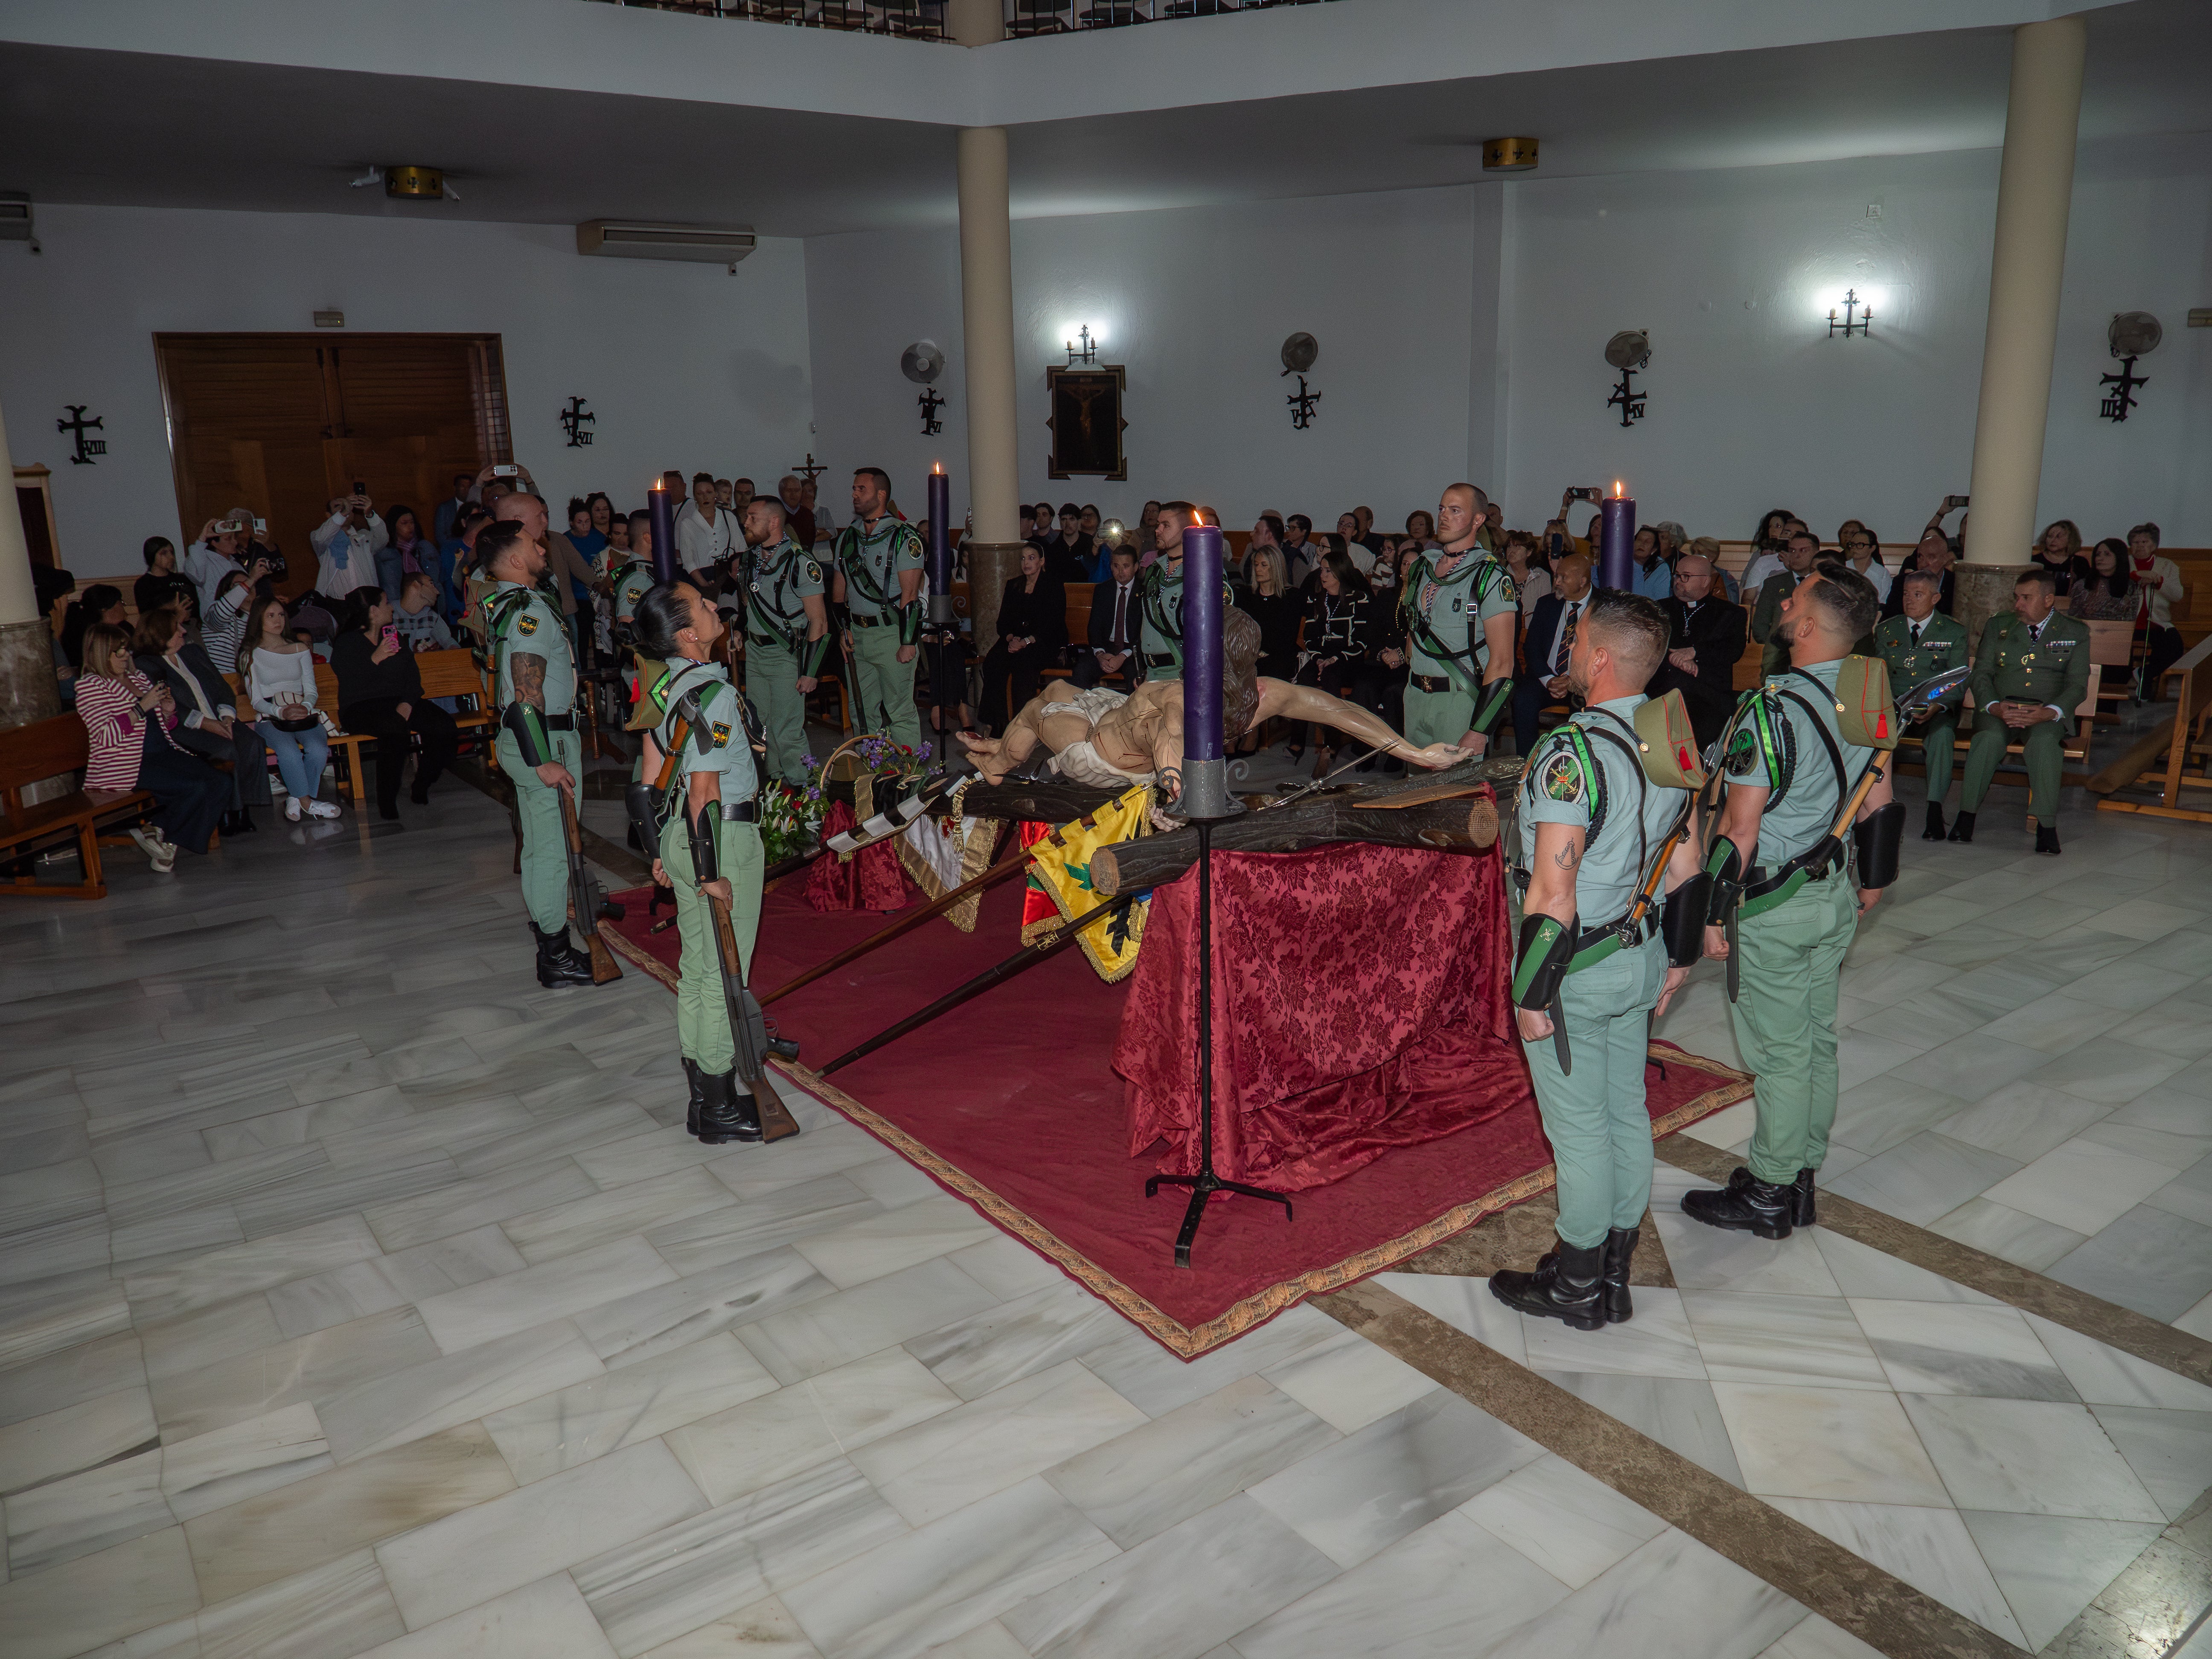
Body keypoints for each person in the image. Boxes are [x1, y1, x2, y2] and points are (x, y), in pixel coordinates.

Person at [1492, 592, 1707, 1330]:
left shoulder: (1570, 752)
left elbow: (1552, 889)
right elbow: (1687, 864)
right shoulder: (1666, 739)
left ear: (1602, 657)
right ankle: (1611, 1272)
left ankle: (1576, 1283)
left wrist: (1528, 991)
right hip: (1637, 948)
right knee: (1626, 1113)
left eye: (1577, 639)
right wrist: (1676, 960)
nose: (1570, 651)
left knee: (1578, 1129)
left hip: (1573, 969)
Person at [1685, 567, 1901, 1239]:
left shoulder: (1771, 708)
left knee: (1779, 1053)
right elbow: (1880, 798)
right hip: (1831, 890)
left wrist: (1712, 914)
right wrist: (1872, 881)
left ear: (1806, 627)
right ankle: (1800, 1172)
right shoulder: (1868, 689)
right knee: (1813, 1041)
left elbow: (1738, 830)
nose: (1783, 602)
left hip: (1773, 903)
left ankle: (1771, 1193)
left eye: (1795, 597)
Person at [960, 607, 1463, 795]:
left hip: (1099, 755)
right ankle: (998, 752)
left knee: (1038, 705)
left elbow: (1171, 739)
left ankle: (998, 763)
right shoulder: (1263, 694)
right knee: (1062, 690)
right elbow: (1340, 712)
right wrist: (1413, 753)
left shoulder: (1176, 697)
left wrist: (1173, 794)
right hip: (1113, 716)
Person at [627, 580, 766, 1144]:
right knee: (722, 976)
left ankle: (701, 1097)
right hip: (720, 836)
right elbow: (705, 789)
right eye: (704, 606)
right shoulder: (713, 694)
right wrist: (709, 873)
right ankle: (719, 1105)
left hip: (685, 836)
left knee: (696, 969)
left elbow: (648, 782)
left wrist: (663, 849)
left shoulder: (662, 690)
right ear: (688, 635)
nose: (715, 608)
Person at [477, 519, 600, 987]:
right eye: (532, 543)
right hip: (542, 739)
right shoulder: (527, 609)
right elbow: (525, 695)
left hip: (533, 738)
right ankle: (555, 956)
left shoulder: (505, 604)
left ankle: (549, 935)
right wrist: (543, 760)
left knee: (539, 847)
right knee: (552, 852)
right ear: (513, 559)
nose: (542, 546)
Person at [1950, 568, 2089, 856]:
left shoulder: (2074, 632)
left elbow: (2077, 685)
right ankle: (1966, 816)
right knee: (1987, 739)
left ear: (2049, 599)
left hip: (2045, 712)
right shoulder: (2000, 625)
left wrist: (2050, 712)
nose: (2018, 605)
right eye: (2016, 597)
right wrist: (1994, 706)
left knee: (2044, 744)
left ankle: (2047, 826)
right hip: (2001, 707)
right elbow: (1982, 674)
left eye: (2026, 598)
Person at [76, 622, 230, 872]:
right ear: (101, 654)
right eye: (120, 652)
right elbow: (105, 736)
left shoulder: (139, 677)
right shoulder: (90, 687)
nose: (127, 656)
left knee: (220, 782)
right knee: (193, 788)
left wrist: (168, 712)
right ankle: (161, 834)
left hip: (163, 752)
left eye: (128, 650)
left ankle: (161, 836)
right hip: (126, 763)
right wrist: (141, 707)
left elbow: (162, 727)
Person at [1397, 483, 1517, 754]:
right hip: (1415, 694)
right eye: (1442, 509)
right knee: (1416, 790)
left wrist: (1479, 730)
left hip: (1459, 699)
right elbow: (1415, 628)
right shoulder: (1422, 567)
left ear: (1478, 520)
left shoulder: (1489, 577)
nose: (1444, 516)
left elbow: (1502, 661)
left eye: (1455, 510)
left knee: (1456, 793)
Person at [132, 602, 267, 837]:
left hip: (219, 718)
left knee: (253, 743)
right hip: (184, 729)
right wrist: (206, 723)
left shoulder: (193, 653)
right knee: (225, 750)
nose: (184, 632)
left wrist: (225, 717)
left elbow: (222, 688)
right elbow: (169, 703)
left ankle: (246, 809)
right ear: (161, 634)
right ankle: (227, 813)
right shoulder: (146, 664)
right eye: (177, 629)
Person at [329, 589, 458, 821]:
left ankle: (422, 783)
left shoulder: (393, 635)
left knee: (444, 727)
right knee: (395, 729)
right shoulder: (346, 642)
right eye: (386, 603)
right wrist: (375, 658)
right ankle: (386, 801)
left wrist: (407, 703)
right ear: (373, 611)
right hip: (361, 707)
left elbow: (412, 676)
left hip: (398, 701)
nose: (391, 608)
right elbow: (351, 682)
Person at [1869, 569, 1970, 841]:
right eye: (1905, 594)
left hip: (1935, 707)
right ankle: (1877, 807)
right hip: (1894, 708)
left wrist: (1937, 706)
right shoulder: (1887, 629)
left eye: (1918, 595)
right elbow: (1878, 675)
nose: (1909, 600)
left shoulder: (1953, 631)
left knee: (1942, 736)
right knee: (1875, 736)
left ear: (1935, 597)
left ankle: (1934, 810)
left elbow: (1958, 680)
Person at [735, 495, 830, 784]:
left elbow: (820, 621)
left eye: (753, 518)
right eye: (747, 517)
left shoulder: (801, 562)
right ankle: (772, 784)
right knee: (759, 725)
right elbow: (748, 604)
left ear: (774, 522)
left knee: (787, 729)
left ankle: (806, 793)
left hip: (786, 653)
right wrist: (740, 630)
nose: (746, 523)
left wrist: (810, 672)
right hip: (755, 653)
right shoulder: (749, 558)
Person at [832, 467, 925, 749]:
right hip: (857, 638)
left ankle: (909, 780)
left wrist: (908, 642)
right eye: (854, 489)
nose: (854, 494)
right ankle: (870, 779)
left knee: (900, 711)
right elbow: (839, 596)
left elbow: (910, 595)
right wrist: (843, 631)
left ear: (881, 494)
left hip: (892, 634)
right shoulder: (848, 538)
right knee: (861, 713)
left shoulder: (903, 538)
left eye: (862, 489)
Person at [240, 595, 340, 823]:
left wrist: (304, 706)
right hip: (271, 716)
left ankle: (297, 798)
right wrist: (280, 712)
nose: (278, 621)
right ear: (259, 620)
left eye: (281, 615)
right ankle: (307, 802)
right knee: (289, 751)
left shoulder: (299, 648)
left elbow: (311, 689)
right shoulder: (250, 653)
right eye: (271, 616)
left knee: (316, 747)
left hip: (302, 713)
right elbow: (256, 700)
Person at [1289, 549, 1380, 766]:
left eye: (1329, 571)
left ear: (1341, 573)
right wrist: (1319, 657)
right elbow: (1309, 636)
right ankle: (1298, 740)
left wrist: (1336, 658)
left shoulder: (1359, 598)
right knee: (1304, 679)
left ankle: (1331, 742)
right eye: (1322, 569)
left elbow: (1362, 640)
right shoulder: (1316, 598)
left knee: (1331, 677)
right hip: (1321, 655)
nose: (1323, 575)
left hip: (1348, 658)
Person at [1652, 549, 1747, 751]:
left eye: (1686, 577)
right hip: (1664, 693)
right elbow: (1650, 645)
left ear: (1705, 581)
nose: (1678, 581)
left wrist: (1695, 653)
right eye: (1677, 575)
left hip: (1708, 695)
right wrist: (1677, 660)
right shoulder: (1660, 609)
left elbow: (1733, 650)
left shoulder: (1730, 613)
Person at [979, 543, 1067, 733]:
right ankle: (999, 721)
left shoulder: (1053, 585)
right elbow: (1002, 621)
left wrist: (1026, 642)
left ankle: (1023, 724)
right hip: (1015, 640)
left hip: (1041, 642)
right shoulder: (1014, 585)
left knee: (1023, 664)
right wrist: (1012, 639)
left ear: (1042, 561)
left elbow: (1053, 624)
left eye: (1032, 558)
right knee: (993, 662)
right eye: (1023, 558)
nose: (1026, 562)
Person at [1513, 553, 1592, 757]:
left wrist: (1572, 681)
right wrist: (1549, 680)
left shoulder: (1602, 607)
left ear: (1582, 581)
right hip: (1545, 679)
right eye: (1557, 576)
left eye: (1563, 578)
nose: (1556, 582)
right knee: (1523, 699)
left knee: (1586, 708)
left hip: (1583, 685)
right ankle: (1527, 764)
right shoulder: (1547, 604)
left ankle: (1577, 763)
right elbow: (1531, 648)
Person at [2125, 523, 2188, 691]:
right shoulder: (2125, 563)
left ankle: (2144, 674)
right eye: (2135, 543)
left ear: (2153, 545)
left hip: (2157, 622)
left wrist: (2159, 581)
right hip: (2128, 623)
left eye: (2144, 542)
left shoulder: (2167, 566)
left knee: (2174, 647)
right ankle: (2125, 683)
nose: (2140, 546)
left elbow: (2178, 595)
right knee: (2117, 647)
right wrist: (2136, 576)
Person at [1751, 529, 1822, 675]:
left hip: (1816, 657)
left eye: (1803, 550)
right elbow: (1760, 624)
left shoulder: (1823, 584)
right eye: (1792, 550)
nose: (1796, 555)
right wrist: (1774, 647)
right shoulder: (1774, 584)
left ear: (1816, 553)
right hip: (1777, 657)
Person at [1074, 544, 1142, 694]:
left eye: (1126, 566)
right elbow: (1094, 627)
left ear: (1136, 567)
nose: (1121, 572)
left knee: (1136, 676)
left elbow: (1142, 634)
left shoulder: (1143, 592)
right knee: (1082, 669)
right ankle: (1079, 713)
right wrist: (1100, 654)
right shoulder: (1103, 590)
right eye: (1116, 566)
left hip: (1132, 651)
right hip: (1107, 647)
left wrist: (1123, 656)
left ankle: (1131, 715)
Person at [1237, 544, 1304, 690]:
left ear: (1276, 567)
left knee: (1270, 670)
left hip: (1279, 657)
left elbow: (1288, 636)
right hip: (1250, 656)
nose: (1258, 569)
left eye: (1264, 565)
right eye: (1256, 565)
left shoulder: (1291, 597)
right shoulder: (1246, 596)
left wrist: (1262, 652)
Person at [311, 492, 387, 601]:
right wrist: (344, 512)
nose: (345, 508)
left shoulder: (363, 537)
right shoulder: (321, 538)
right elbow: (321, 538)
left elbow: (383, 539)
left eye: (348, 505)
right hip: (339, 604)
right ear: (329, 515)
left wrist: (370, 514)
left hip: (368, 602)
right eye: (338, 506)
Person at [1884, 526, 1958, 619]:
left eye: (1931, 557)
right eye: (1920, 556)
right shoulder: (1902, 582)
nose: (1924, 563)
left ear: (1945, 559)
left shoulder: (1955, 584)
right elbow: (1889, 618)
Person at [677, 472, 735, 574]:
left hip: (730, 574)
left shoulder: (728, 517)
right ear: (695, 496)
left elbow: (741, 548)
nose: (705, 497)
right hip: (704, 576)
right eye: (700, 494)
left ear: (716, 494)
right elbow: (688, 562)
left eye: (709, 492)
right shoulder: (688, 524)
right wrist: (705, 584)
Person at [2071, 538, 2139, 622]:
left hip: (2119, 632)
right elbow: (2072, 618)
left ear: (2119, 557)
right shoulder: (2081, 585)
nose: (2100, 558)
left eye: (2107, 554)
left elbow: (2130, 620)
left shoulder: (2131, 586)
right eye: (2098, 555)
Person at [61, 585, 126, 671]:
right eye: (121, 602)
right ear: (105, 609)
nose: (124, 606)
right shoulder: (93, 637)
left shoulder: (123, 628)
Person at [392, 571, 459, 655]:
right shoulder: (390, 614)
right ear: (415, 586)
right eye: (431, 584)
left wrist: (453, 648)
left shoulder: (432, 617)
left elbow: (447, 641)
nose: (437, 592)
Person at [378, 505, 434, 602]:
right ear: (393, 526)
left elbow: (436, 580)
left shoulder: (424, 548)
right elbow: (389, 587)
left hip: (427, 602)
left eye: (412, 522)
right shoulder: (386, 554)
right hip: (399, 605)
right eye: (404, 523)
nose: (410, 527)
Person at [201, 570, 254, 672]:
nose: (247, 591)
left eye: (251, 585)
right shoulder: (215, 611)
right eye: (239, 586)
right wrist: (252, 578)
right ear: (226, 593)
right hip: (222, 679)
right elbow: (221, 614)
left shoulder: (257, 620)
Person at [1739, 509, 1799, 594]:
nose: (1773, 530)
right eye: (1770, 527)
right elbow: (1746, 580)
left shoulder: (1796, 553)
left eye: (1778, 527)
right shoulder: (1760, 553)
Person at [135, 538, 198, 618]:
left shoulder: (183, 579)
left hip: (190, 624)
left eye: (172, 552)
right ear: (152, 555)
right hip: (163, 627)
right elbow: (147, 615)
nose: (171, 557)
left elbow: (196, 606)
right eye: (164, 553)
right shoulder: (144, 584)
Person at [1837, 521, 1893, 604]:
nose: (1855, 548)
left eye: (1860, 545)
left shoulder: (1882, 573)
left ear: (1872, 548)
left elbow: (1883, 601)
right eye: (1852, 544)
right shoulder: (1842, 569)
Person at [1500, 530, 1552, 614]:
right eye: (1510, 546)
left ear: (1529, 552)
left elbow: (1545, 610)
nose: (1512, 550)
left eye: (1517, 547)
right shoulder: (1499, 575)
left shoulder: (1542, 576)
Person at [2030, 520, 2087, 595]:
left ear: (2070, 540)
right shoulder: (2035, 561)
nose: (2053, 540)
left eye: (2058, 537)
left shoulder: (2080, 563)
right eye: (2050, 537)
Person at [1629, 526, 1672, 600]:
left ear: (1654, 549)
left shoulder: (1661, 568)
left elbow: (1662, 599)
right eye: (1639, 540)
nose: (1642, 544)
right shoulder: (1622, 562)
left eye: (1648, 542)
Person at [434, 473, 475, 544]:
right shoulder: (444, 508)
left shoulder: (475, 508)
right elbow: (440, 535)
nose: (466, 490)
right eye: (463, 486)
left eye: (469, 487)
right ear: (455, 487)